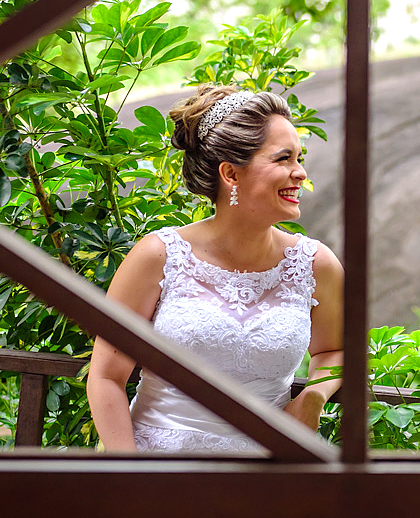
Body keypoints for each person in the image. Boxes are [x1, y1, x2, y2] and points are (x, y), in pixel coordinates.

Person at [87, 84, 344, 454]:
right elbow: (107, 378)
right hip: (159, 470)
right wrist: (132, 476)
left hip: (270, 471)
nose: (300, 173)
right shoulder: (158, 257)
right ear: (231, 174)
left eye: (299, 158)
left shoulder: (315, 264)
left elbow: (335, 350)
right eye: (283, 158)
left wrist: (314, 396)